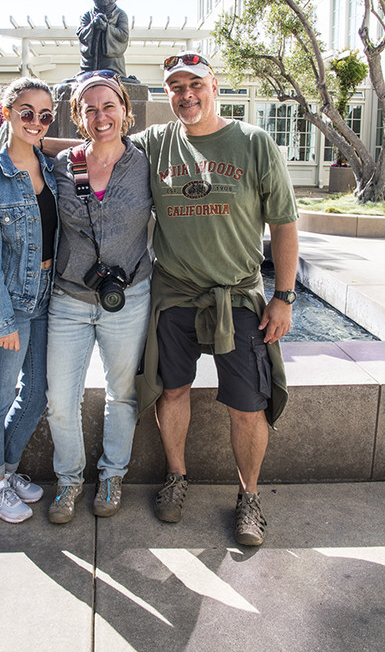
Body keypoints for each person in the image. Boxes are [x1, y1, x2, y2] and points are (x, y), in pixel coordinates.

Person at [131, 53, 299, 546]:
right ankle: (176, 478)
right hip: (175, 293)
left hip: (238, 297)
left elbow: (284, 227)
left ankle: (249, 497)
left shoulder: (253, 143)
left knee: (249, 406)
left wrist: (284, 297)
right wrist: (25, 140)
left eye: (195, 84)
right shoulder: (153, 144)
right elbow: (97, 144)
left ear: (214, 85)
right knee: (173, 391)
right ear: (167, 94)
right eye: (175, 86)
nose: (186, 95)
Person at [45, 71, 152, 524]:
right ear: (78, 116)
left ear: (125, 112)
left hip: (129, 298)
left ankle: (112, 475)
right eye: (90, 109)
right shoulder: (60, 165)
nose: (101, 116)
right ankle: (68, 481)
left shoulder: (146, 163)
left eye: (109, 106)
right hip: (69, 299)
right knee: (59, 399)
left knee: (121, 394)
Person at [0, 77, 58, 523]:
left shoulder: (53, 169)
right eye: (26, 112)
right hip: (9, 300)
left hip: (46, 297)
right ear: (6, 114)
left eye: (45, 115)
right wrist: (2, 321)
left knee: (37, 394)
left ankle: (8, 468)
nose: (36, 122)